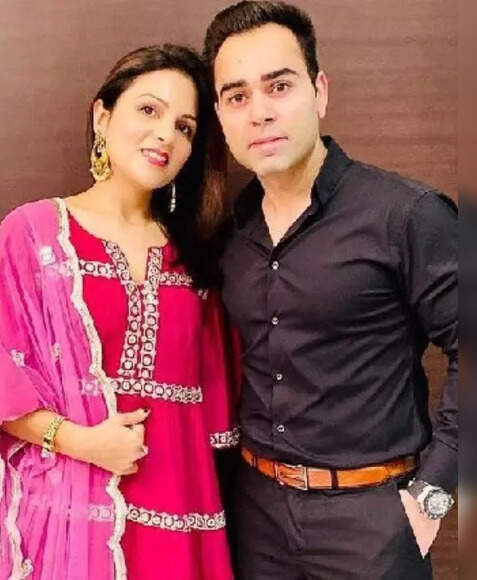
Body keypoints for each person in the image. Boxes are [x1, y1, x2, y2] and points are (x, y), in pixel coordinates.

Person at [0, 45, 237, 580]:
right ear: (103, 116)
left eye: (185, 127)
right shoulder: (34, 236)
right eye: (148, 110)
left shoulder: (197, 257)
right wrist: (83, 441)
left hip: (180, 518)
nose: (166, 135)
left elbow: (215, 415)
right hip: (64, 526)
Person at [204, 2, 458, 578]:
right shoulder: (230, 234)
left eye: (279, 86)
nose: (260, 112)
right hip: (256, 514)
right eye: (237, 96)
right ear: (220, 114)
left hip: (370, 520)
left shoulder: (405, 215)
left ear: (319, 91)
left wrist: (434, 493)